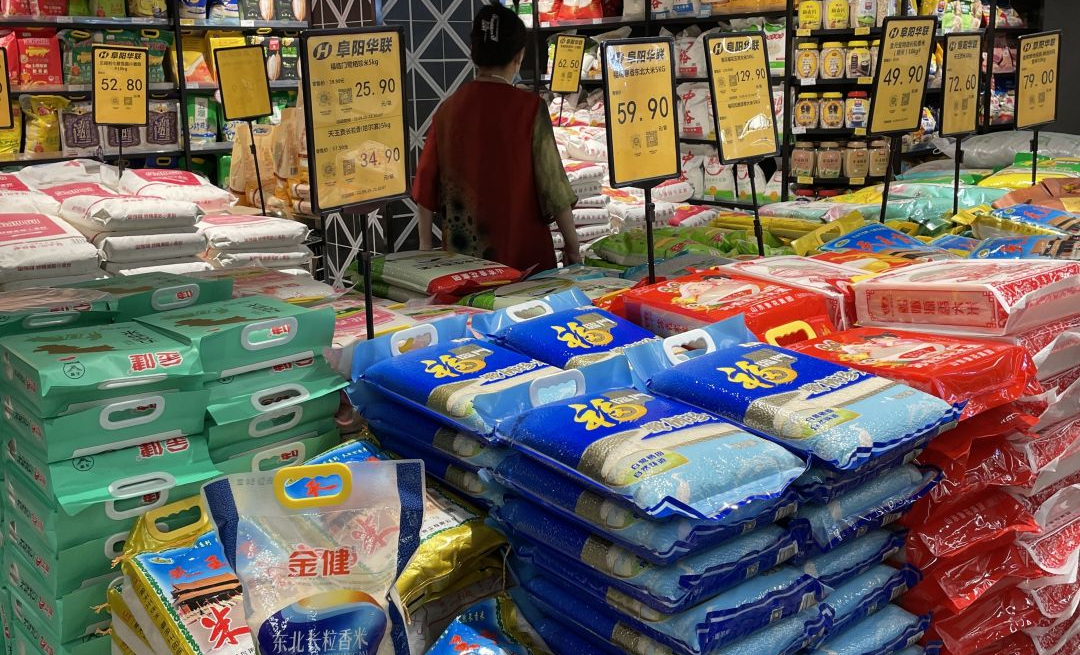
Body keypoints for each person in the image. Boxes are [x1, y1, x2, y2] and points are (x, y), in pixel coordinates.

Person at [412, 2, 581, 272]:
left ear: (473, 52)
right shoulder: (530, 109)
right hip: (525, 260)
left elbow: (425, 184)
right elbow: (554, 188)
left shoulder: (448, 110)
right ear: (519, 56)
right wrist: (573, 247)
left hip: (464, 263)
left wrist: (424, 247)